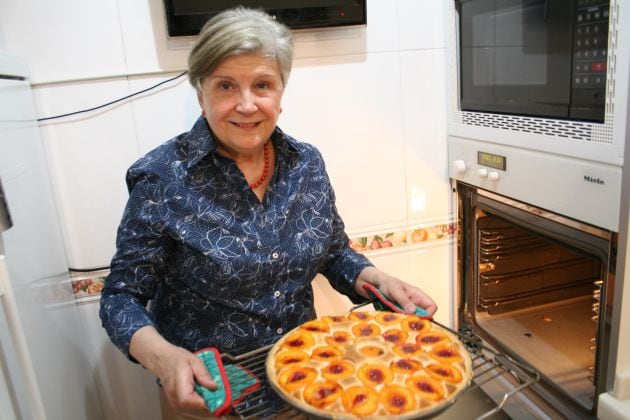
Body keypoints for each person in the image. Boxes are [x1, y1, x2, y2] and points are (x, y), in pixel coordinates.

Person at [99, 6, 437, 418]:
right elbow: (120, 297)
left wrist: (378, 280)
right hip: (214, 398)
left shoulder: (306, 163)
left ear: (280, 93)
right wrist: (165, 359)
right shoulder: (162, 179)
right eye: (225, 86)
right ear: (201, 95)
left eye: (262, 85)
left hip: (308, 381)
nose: (246, 104)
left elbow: (333, 252)